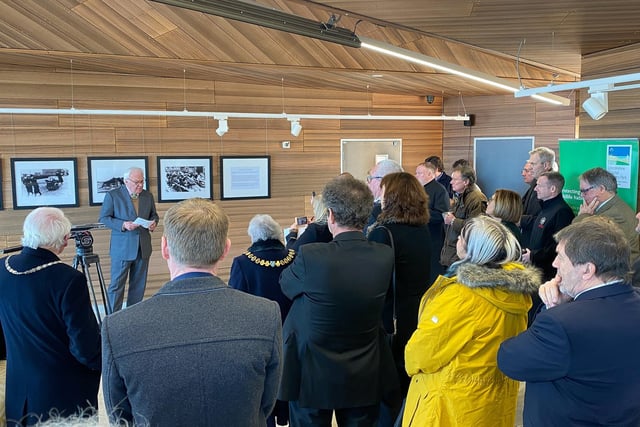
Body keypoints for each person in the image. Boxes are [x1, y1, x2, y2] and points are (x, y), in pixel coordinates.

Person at [102, 198, 283, 427]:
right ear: (225, 249)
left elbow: (120, 419)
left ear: (165, 247)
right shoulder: (265, 315)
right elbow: (265, 404)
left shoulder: (118, 327)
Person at [279, 175, 399, 427]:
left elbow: (286, 286)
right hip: (363, 366)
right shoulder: (384, 255)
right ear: (367, 215)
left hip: (312, 369)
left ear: (330, 215)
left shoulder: (312, 255)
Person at [497, 217, 640, 426]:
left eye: (561, 257)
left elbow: (510, 360)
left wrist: (552, 307)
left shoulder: (560, 324)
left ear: (587, 270)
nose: (554, 264)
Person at [402, 216, 540, 427]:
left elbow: (422, 353)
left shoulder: (461, 296)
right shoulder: (516, 292)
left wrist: (410, 364)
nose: (457, 240)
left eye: (462, 237)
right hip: (493, 399)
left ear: (473, 250)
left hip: (450, 402)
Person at [0, 207, 101, 427]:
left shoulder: (2, 268)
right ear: (65, 240)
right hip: (61, 395)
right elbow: (85, 349)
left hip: (18, 387)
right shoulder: (69, 280)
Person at [367, 172, 431, 412]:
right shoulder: (421, 229)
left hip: (389, 317)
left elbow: (372, 281)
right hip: (416, 313)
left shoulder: (383, 233)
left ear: (392, 197)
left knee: (387, 392)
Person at [229, 214, 294, 427]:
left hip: (258, 336)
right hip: (292, 334)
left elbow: (235, 303)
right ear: (278, 234)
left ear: (253, 237)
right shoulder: (295, 257)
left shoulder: (242, 263)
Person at [99, 166, 159, 312]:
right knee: (116, 285)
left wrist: (153, 223)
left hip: (143, 248)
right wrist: (123, 225)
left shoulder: (147, 196)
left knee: (138, 286)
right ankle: (113, 318)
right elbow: (104, 218)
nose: (140, 185)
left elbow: (154, 215)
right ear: (126, 181)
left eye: (142, 181)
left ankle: (132, 317)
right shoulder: (113, 195)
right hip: (122, 248)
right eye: (137, 182)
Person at [573, 167, 640, 263]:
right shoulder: (610, 206)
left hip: (620, 272)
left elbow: (582, 241)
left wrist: (583, 216)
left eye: (585, 191)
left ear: (601, 189)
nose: (582, 195)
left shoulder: (615, 215)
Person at [522, 172, 574, 281]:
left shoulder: (562, 212)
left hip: (548, 274)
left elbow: (558, 245)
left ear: (552, 189)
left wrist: (533, 256)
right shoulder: (545, 208)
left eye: (539, 185)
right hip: (536, 269)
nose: (535, 189)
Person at [440, 165, 487, 268]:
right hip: (452, 254)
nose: (451, 182)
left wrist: (453, 221)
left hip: (462, 257)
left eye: (454, 179)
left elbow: (476, 227)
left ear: (466, 182)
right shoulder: (460, 196)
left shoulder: (476, 199)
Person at [415, 162, 449, 281]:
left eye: (419, 173)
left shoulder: (439, 190)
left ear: (430, 174)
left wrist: (418, 212)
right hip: (420, 235)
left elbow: (441, 214)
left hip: (434, 237)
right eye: (416, 173)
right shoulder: (418, 189)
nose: (416, 176)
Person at [365, 159, 404, 233]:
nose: (367, 183)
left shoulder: (374, 212)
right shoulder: (413, 210)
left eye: (370, 178)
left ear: (383, 181)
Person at [519, 162, 539, 246]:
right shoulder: (531, 189)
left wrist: (518, 219)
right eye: (523, 170)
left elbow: (537, 219)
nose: (523, 174)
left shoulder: (537, 193)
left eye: (527, 171)